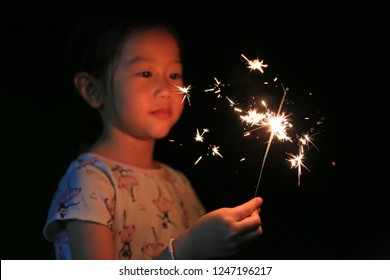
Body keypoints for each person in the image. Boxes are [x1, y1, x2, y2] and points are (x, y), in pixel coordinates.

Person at [43, 7, 263, 260]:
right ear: (92, 89)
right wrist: (184, 252)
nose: (166, 89)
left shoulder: (177, 183)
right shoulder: (90, 181)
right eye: (145, 73)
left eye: (174, 74)